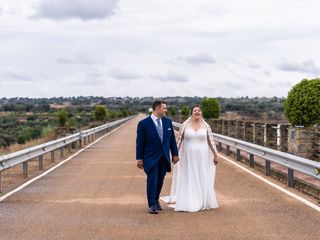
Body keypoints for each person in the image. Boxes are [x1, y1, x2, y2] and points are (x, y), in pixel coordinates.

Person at [162, 105, 219, 212]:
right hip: (188, 157)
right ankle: (190, 200)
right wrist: (175, 155)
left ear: (201, 112)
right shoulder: (185, 125)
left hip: (203, 157)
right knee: (190, 176)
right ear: (191, 113)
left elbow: (211, 141)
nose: (197, 112)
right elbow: (179, 141)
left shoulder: (206, 126)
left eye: (198, 110)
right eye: (194, 110)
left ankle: (203, 200)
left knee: (202, 175)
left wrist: (215, 155)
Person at [136, 100, 179, 214]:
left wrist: (175, 154)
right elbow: (139, 142)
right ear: (157, 109)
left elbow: (172, 140)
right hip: (150, 158)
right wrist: (139, 158)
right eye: (164, 108)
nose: (166, 110)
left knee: (160, 180)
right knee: (152, 180)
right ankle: (151, 204)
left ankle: (156, 199)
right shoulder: (144, 123)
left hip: (164, 157)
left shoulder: (168, 122)